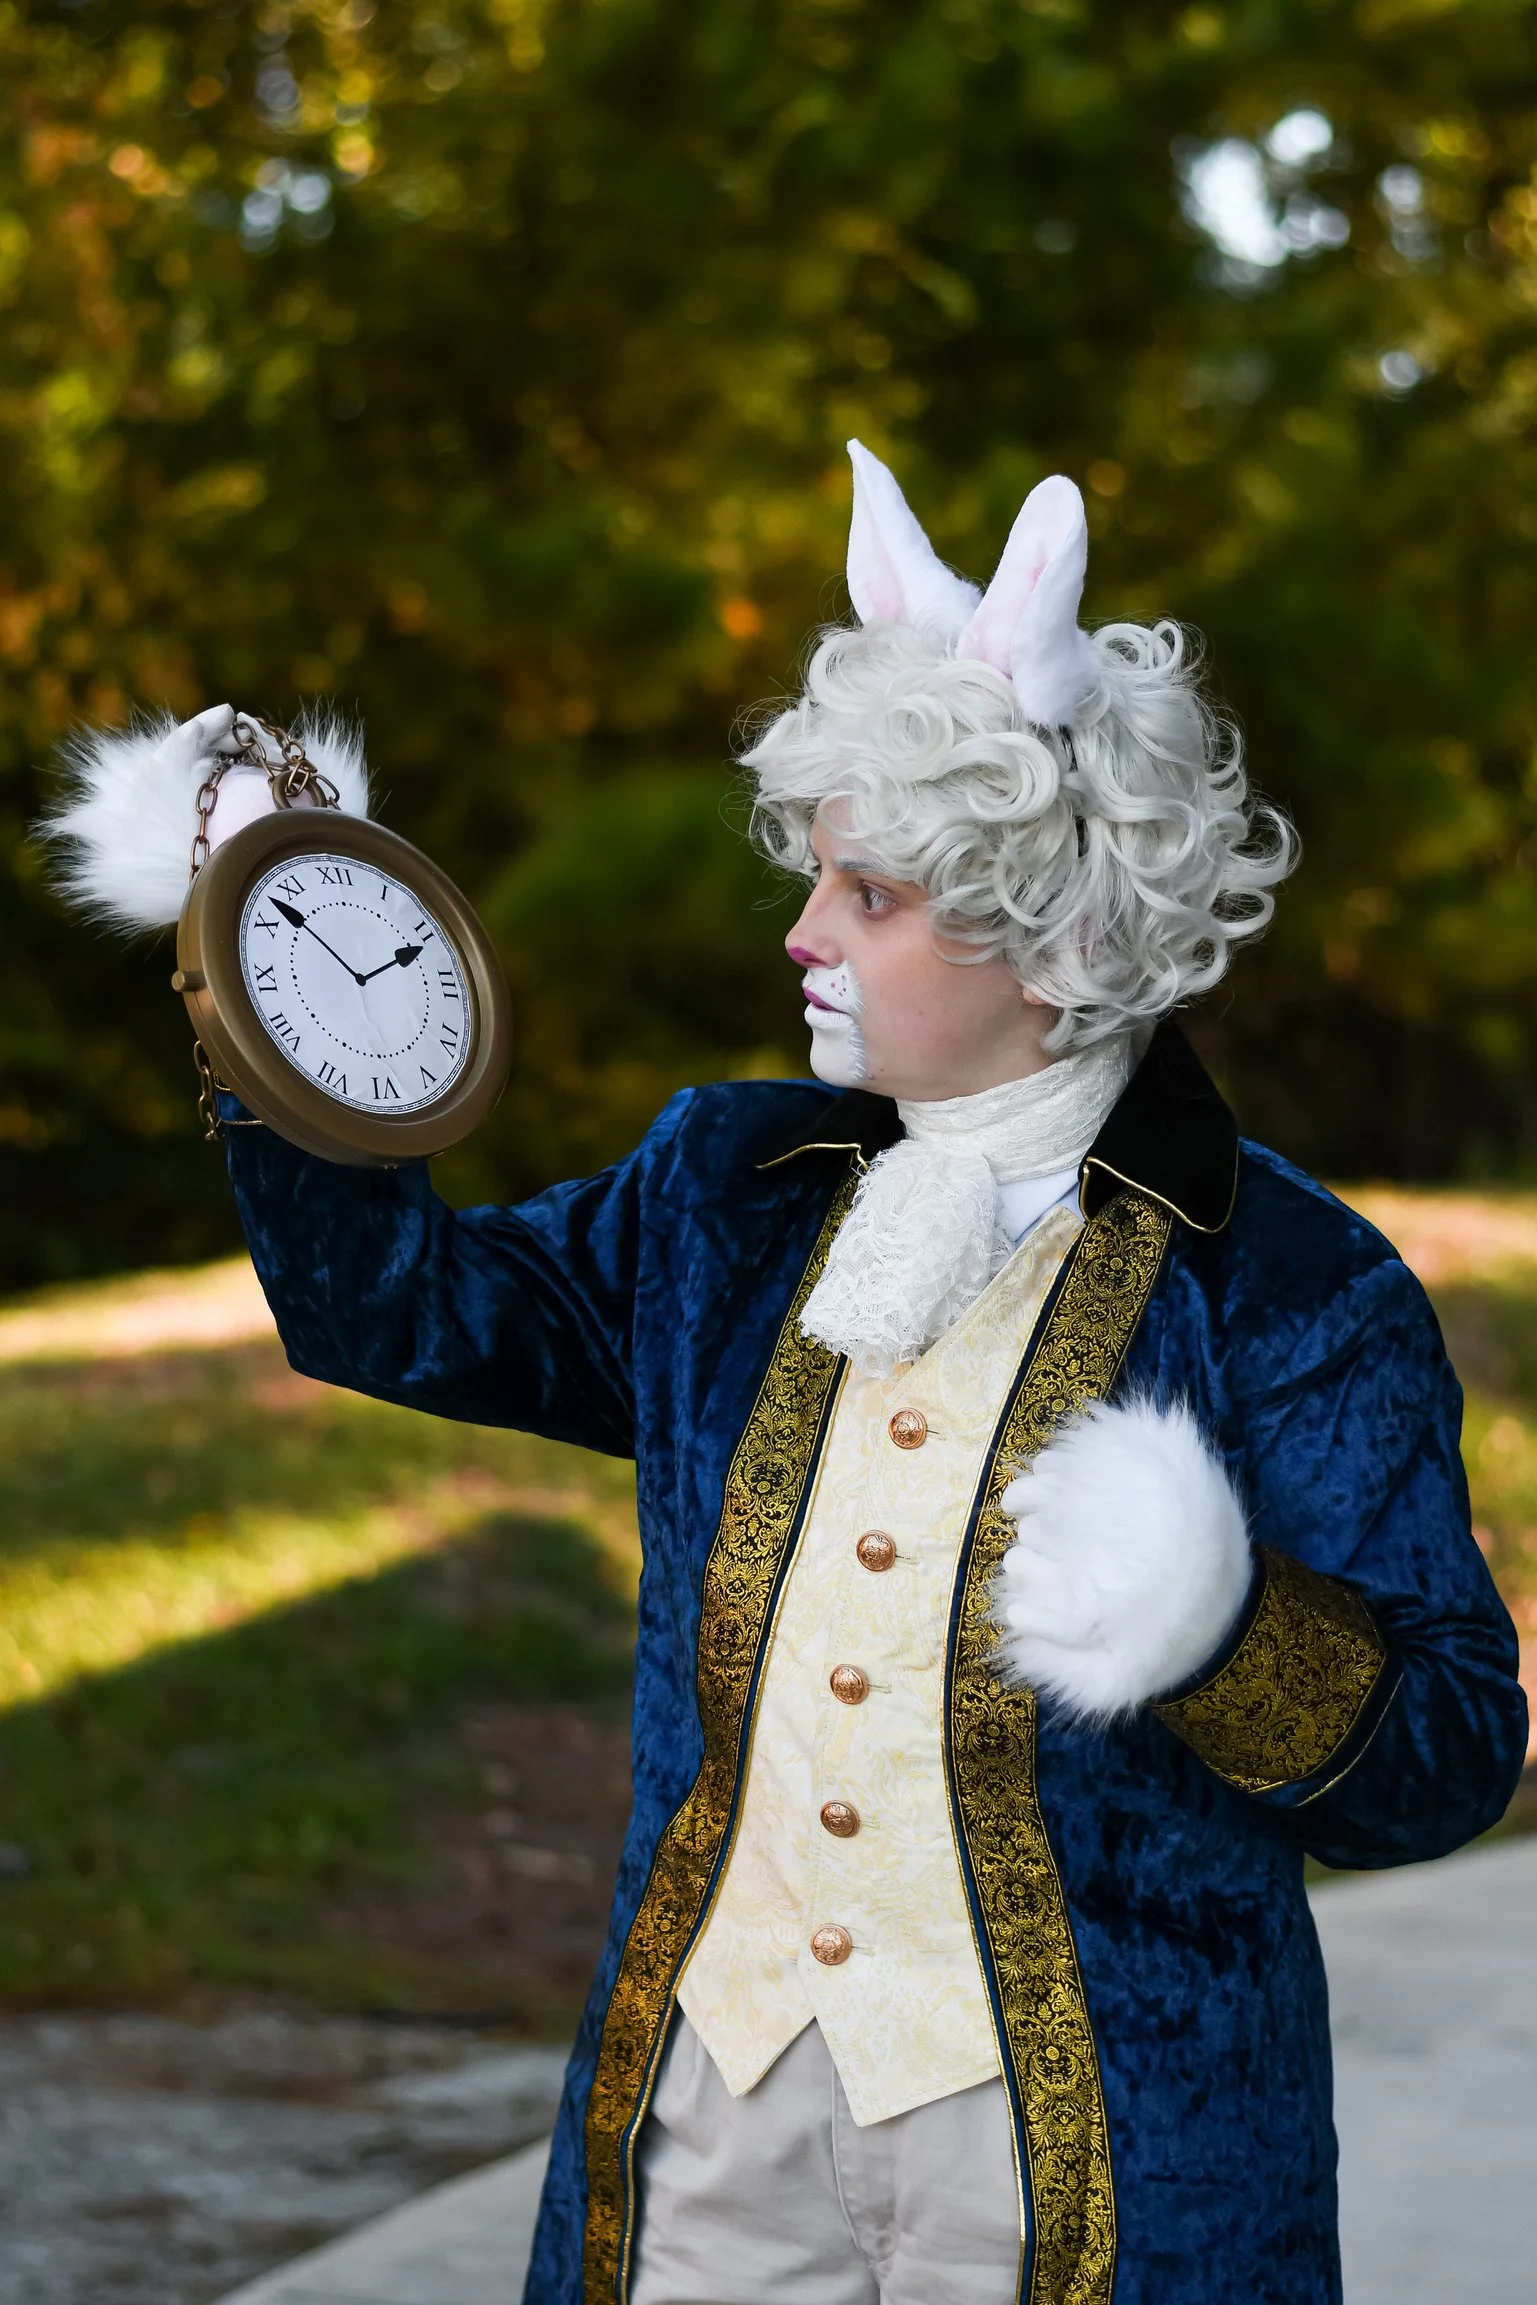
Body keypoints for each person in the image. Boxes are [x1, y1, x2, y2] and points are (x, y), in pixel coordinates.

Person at [52, 444, 1528, 2305]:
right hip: (713, 2124)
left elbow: (1452, 1760)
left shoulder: (1291, 1284)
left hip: (1105, 2149)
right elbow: (394, 1312)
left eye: (874, 893)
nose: (804, 932)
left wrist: (1220, 1636)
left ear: (1058, 936)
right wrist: (285, 973)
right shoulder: (722, 1197)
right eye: (814, 875)